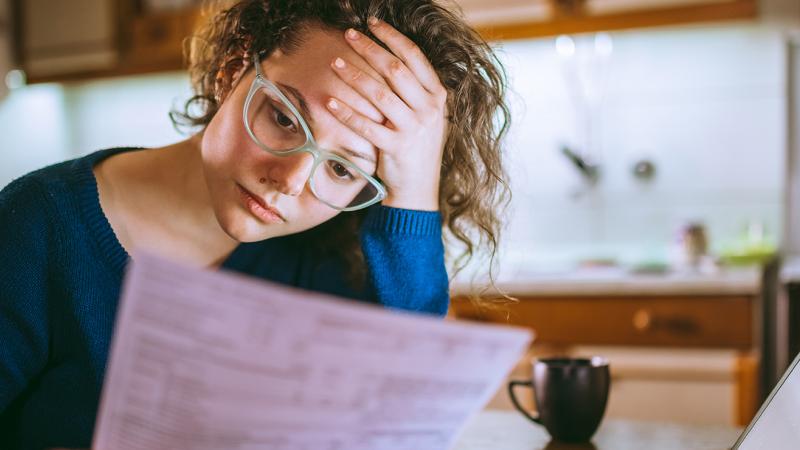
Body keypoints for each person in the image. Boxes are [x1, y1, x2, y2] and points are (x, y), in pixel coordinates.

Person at [0, 0, 511, 448]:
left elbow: (408, 415)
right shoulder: (35, 227)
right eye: (285, 118)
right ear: (232, 69)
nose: (290, 181)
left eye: (341, 168)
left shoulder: (328, 259)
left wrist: (415, 193)